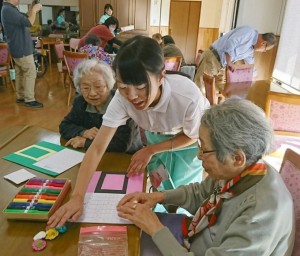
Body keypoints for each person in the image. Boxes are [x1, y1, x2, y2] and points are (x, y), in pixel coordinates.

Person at [47, 35, 209, 228]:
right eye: (123, 87)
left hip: (187, 142)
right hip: (154, 136)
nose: (132, 96)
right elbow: (98, 147)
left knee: (182, 193)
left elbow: (193, 135)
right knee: (159, 183)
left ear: (161, 76)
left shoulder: (187, 97)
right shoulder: (122, 99)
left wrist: (151, 150)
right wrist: (78, 196)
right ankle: (158, 222)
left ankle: (181, 231)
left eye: (140, 87)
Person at [116, 98, 295, 255]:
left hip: (201, 246)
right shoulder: (246, 168)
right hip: (199, 234)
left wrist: (155, 228)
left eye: (204, 149)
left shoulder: (259, 218)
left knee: (125, 246)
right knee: (126, 230)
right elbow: (202, 193)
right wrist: (160, 197)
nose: (198, 155)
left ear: (237, 158)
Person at [59, 59, 142, 152]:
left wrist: (86, 143)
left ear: (108, 85)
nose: (92, 93)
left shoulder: (122, 104)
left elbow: (122, 144)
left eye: (98, 86)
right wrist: (83, 132)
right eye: (85, 88)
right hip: (93, 153)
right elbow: (64, 126)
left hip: (126, 157)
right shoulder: (80, 102)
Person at [194, 25, 278, 93]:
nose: (263, 51)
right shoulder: (248, 32)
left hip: (221, 65)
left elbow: (250, 65)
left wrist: (256, 78)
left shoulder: (250, 50)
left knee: (217, 92)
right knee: (201, 88)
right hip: (212, 58)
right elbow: (231, 42)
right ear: (264, 43)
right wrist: (229, 62)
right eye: (265, 50)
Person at [1, 0, 43, 108]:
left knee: (20, 72)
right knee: (30, 72)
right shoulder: (8, 10)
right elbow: (29, 23)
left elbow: (25, 18)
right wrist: (34, 10)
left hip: (17, 47)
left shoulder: (9, 9)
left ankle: (21, 96)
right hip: (22, 48)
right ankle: (29, 99)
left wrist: (32, 8)